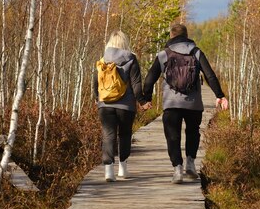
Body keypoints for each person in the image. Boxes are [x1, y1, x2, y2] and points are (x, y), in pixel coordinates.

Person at [143, 23, 229, 183]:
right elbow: (210, 75)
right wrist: (219, 95)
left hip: (171, 103)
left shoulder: (163, 54)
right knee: (193, 132)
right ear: (187, 35)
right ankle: (190, 163)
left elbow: (149, 79)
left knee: (172, 136)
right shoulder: (196, 52)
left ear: (171, 36)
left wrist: (146, 99)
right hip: (193, 103)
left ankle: (177, 170)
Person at [94, 30, 147, 182]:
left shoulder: (103, 59)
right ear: (124, 42)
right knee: (124, 135)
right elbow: (136, 84)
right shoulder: (131, 58)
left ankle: (108, 170)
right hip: (126, 106)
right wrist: (142, 101)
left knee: (108, 135)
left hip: (105, 104)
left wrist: (97, 98)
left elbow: (96, 82)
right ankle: (123, 168)